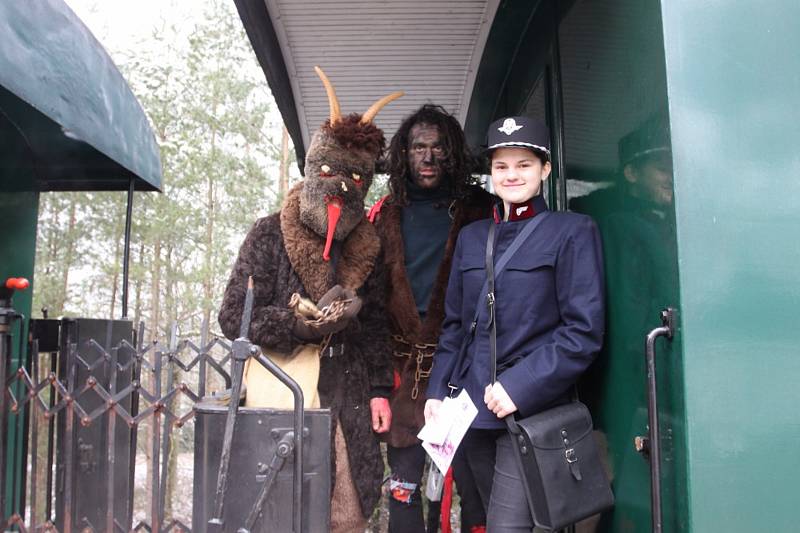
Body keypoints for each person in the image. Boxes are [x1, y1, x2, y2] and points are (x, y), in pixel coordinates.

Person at [218, 67, 398, 532]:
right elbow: (234, 314)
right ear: (311, 168)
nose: (340, 185)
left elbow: (377, 326)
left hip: (349, 394)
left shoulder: (369, 246)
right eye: (327, 171)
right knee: (278, 511)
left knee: (346, 515)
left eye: (356, 177)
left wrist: (380, 390)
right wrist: (296, 325)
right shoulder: (267, 233)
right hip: (280, 388)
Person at [425, 116, 605, 531]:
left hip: (528, 414)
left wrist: (519, 387)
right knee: (485, 519)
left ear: (545, 169)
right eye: (501, 166)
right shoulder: (472, 237)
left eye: (523, 164)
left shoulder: (572, 231)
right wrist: (437, 391)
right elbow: (455, 325)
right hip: (469, 413)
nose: (511, 175)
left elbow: (583, 333)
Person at [369, 104, 492, 533]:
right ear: (403, 154)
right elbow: (370, 313)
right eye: (418, 147)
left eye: (438, 147)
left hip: (466, 372)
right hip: (403, 378)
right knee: (403, 489)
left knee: (477, 494)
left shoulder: (484, 212)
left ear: (453, 153)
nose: (428, 157)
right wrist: (379, 389)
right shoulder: (384, 216)